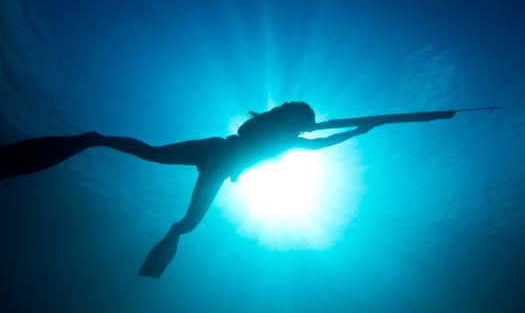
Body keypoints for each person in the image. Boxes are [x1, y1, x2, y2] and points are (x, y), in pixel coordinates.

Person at [0, 102, 374, 278]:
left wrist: (352, 131)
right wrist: (356, 132)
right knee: (169, 188)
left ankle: (97, 141)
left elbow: (315, 143)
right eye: (303, 123)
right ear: (298, 122)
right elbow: (316, 144)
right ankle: (95, 140)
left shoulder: (282, 135)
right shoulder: (283, 137)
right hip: (216, 156)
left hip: (215, 160)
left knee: (188, 220)